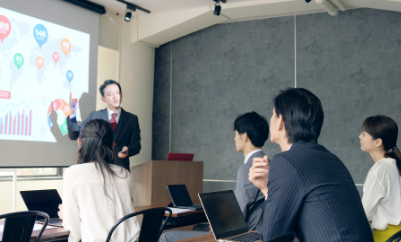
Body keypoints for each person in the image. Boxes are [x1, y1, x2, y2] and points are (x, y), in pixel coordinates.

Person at [249, 88, 373, 242]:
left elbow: (271, 237)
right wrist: (267, 189)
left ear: (281, 121)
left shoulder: (285, 161)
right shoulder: (330, 158)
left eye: (273, 114)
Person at [160, 111, 269, 242]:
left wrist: (219, 224)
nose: (234, 138)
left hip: (243, 232)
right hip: (258, 227)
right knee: (198, 228)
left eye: (235, 133)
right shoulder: (267, 163)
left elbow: (237, 212)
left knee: (165, 236)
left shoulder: (249, 168)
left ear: (245, 136)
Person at [58, 119, 140, 242]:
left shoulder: (73, 173)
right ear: (113, 145)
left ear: (80, 142)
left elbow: (73, 230)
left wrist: (64, 216)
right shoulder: (125, 174)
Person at [359, 115, 401, 242]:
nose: (360, 137)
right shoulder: (391, 164)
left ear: (377, 142)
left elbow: (364, 215)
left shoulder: (379, 170)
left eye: (363, 133)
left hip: (386, 238)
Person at [67, 80, 141, 171]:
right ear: (103, 98)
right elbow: (74, 135)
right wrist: (73, 113)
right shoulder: (95, 115)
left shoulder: (132, 119)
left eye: (117, 93)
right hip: (97, 168)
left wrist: (128, 150)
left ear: (121, 95)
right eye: (110, 94)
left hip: (121, 169)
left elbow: (136, 146)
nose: (115, 97)